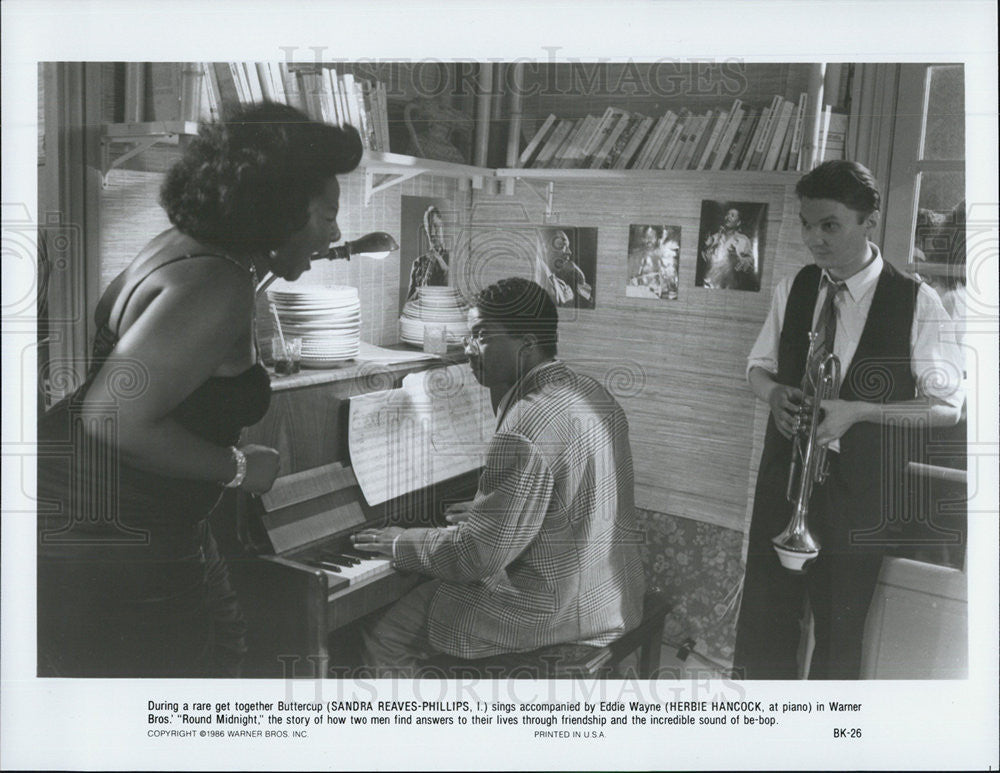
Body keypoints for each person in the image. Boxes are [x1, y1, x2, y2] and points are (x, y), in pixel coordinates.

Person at [36, 102, 363, 677]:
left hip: (127, 516)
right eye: (327, 214)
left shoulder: (188, 247)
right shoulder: (219, 284)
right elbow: (112, 418)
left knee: (223, 653)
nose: (335, 232)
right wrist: (237, 467)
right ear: (279, 208)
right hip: (113, 534)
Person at [732, 160, 964, 679]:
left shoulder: (918, 302)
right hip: (785, 483)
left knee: (839, 637)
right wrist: (773, 395)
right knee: (765, 623)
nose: (814, 239)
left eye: (830, 225)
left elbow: (948, 407)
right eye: (806, 224)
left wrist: (861, 411)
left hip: (857, 497)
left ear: (869, 221)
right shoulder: (795, 286)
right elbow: (757, 367)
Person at [352, 277, 645, 675]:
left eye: (482, 336)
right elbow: (571, 489)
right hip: (610, 595)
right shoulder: (591, 391)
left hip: (559, 615)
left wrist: (402, 542)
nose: (468, 349)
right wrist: (496, 509)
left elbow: (475, 557)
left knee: (386, 634)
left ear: (526, 343)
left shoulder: (524, 427)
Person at [699, 206, 758, 290]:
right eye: (727, 215)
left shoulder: (743, 240)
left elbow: (750, 264)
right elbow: (705, 256)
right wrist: (707, 254)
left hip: (730, 287)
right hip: (709, 285)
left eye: (732, 215)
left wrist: (737, 259)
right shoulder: (715, 237)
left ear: (738, 223)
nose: (728, 217)